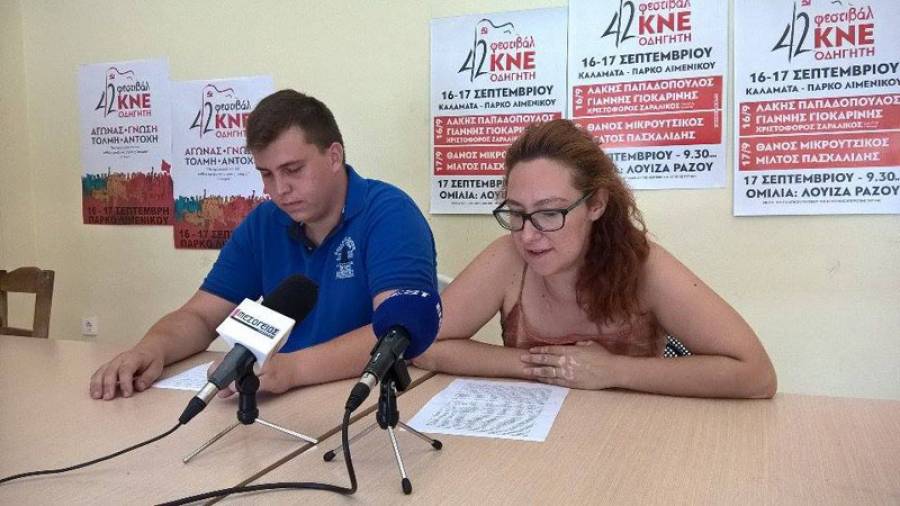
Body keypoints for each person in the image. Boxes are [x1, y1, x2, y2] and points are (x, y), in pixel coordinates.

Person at [90, 89, 437, 400]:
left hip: (367, 398)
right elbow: (201, 315)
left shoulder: (390, 213)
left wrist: (293, 370)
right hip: (278, 397)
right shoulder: (265, 221)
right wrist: (151, 349)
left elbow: (398, 333)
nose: (279, 190)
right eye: (266, 174)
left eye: (293, 169)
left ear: (334, 157)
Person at [414, 119, 776, 398]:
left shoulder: (644, 265)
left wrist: (613, 371)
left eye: (550, 213)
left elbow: (756, 374)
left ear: (596, 204)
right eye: (516, 212)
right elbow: (422, 344)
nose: (527, 235)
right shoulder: (508, 258)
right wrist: (548, 367)